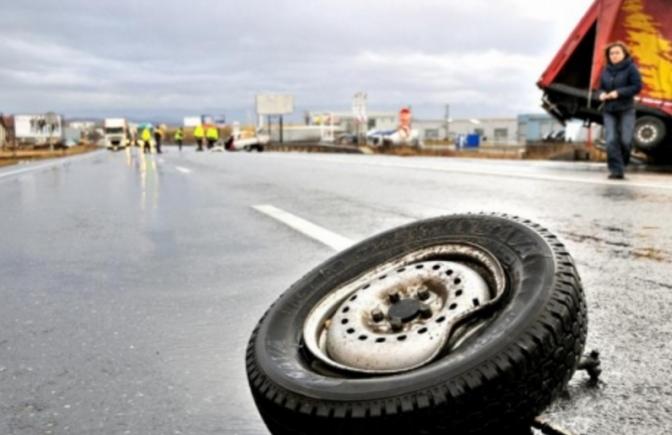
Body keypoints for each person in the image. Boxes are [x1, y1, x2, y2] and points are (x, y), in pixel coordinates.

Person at [598, 41, 642, 180]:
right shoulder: (605, 70)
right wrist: (600, 94)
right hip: (609, 109)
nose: (614, 55)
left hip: (626, 109)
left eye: (617, 52)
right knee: (611, 140)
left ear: (624, 54)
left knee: (625, 140)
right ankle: (616, 170)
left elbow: (637, 86)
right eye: (611, 53)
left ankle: (622, 163)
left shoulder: (631, 68)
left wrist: (618, 92)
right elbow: (600, 88)